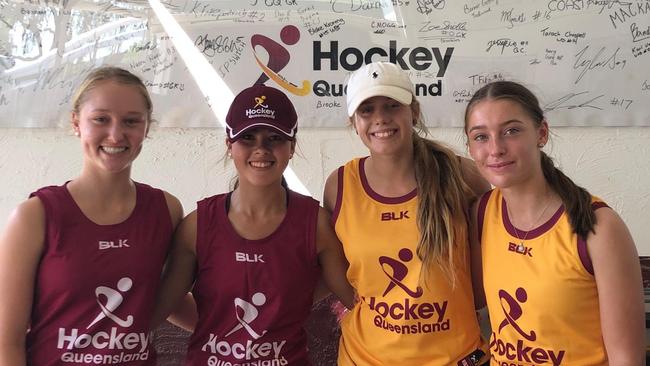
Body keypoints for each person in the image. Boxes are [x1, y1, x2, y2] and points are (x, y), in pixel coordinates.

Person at [152, 84, 355, 365]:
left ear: (292, 146)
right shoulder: (198, 225)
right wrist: (217, 327)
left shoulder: (316, 224)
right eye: (248, 137)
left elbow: (356, 298)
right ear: (229, 143)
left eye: (274, 138)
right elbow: (163, 305)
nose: (261, 149)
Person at [0, 66, 183, 365]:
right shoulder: (34, 216)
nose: (115, 134)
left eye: (131, 121)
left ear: (147, 128)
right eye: (101, 119)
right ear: (76, 123)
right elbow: (7, 342)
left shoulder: (167, 210)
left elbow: (170, 300)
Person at [464, 80, 645, 365]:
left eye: (511, 131)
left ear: (541, 133)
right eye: (481, 137)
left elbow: (626, 358)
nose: (496, 148)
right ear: (470, 147)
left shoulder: (599, 228)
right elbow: (472, 302)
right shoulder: (482, 213)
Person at [323, 61, 491, 365]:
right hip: (365, 358)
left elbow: (494, 264)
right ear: (353, 121)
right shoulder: (340, 185)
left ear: (413, 111)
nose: (381, 119)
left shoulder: (461, 176)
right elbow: (339, 273)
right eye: (367, 110)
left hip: (455, 356)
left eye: (391, 105)